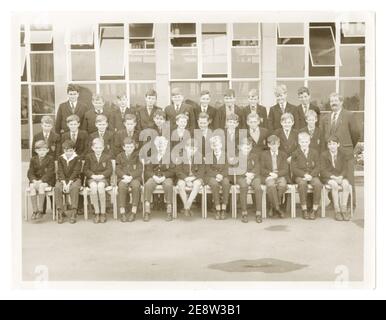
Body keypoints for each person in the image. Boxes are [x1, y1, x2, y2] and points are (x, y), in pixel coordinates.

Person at [320, 92, 362, 208]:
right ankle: (334, 202)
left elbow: (356, 134)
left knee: (348, 179)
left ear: (341, 102)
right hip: (331, 154)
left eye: (336, 101)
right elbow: (324, 135)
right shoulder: (326, 118)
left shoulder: (349, 115)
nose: (333, 103)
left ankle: (350, 204)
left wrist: (347, 146)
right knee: (332, 178)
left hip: (346, 153)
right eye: (331, 101)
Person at [291, 132, 323, 220]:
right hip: (300, 176)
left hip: (312, 175)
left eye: (306, 142)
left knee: (318, 184)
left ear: (309, 142)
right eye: (302, 142)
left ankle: (314, 209)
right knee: (302, 184)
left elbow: (318, 166)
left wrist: (311, 175)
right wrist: (304, 175)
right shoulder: (295, 153)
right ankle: (304, 209)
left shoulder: (314, 152)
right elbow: (294, 168)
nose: (304, 144)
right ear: (299, 142)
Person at [143, 136, 175, 222]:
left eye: (163, 145)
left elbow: (173, 171)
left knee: (168, 185)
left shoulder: (170, 157)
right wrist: (153, 176)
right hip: (154, 177)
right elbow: (147, 171)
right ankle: (147, 211)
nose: (160, 147)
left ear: (166, 146)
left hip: (166, 177)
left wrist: (164, 176)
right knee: (148, 184)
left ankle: (169, 211)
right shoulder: (151, 157)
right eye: (158, 145)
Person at [320, 135, 352, 221]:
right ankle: (337, 210)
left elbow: (345, 168)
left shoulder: (343, 154)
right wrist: (333, 177)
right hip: (328, 177)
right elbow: (322, 170)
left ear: (338, 144)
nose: (332, 146)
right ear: (327, 146)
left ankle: (344, 209)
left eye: (334, 144)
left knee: (346, 184)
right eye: (330, 144)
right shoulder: (324, 155)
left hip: (340, 176)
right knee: (334, 185)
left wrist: (341, 176)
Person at [83, 138, 113, 224]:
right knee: (93, 186)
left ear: (103, 148)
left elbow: (109, 170)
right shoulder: (88, 156)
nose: (98, 150)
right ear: (92, 148)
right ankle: (96, 212)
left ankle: (103, 212)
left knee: (100, 187)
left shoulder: (107, 157)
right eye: (96, 148)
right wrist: (93, 176)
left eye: (100, 148)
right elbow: (86, 169)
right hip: (92, 178)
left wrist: (101, 176)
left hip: (103, 178)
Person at [260, 135, 289, 218]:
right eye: (272, 144)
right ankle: (278, 208)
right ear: (268, 145)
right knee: (271, 185)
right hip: (269, 176)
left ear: (279, 144)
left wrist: (277, 174)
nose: (274, 146)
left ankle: (273, 207)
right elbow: (261, 169)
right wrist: (270, 174)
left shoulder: (283, 154)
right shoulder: (264, 154)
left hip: (280, 175)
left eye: (276, 144)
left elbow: (285, 169)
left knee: (283, 185)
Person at [235, 137, 262, 223]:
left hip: (254, 176)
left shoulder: (254, 155)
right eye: (245, 147)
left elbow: (257, 167)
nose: (247, 149)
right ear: (240, 147)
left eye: (249, 147)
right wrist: (246, 174)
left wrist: (251, 175)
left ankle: (258, 213)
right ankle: (244, 213)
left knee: (258, 188)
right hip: (242, 176)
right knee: (243, 186)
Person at [203, 136, 231, 220]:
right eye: (214, 145)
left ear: (221, 145)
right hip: (211, 176)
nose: (216, 147)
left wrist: (221, 175)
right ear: (211, 146)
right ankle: (217, 208)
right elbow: (207, 169)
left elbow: (227, 168)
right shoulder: (208, 155)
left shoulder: (225, 155)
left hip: (223, 175)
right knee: (214, 184)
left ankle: (224, 208)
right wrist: (216, 175)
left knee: (226, 183)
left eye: (217, 145)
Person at [54, 140, 82, 224]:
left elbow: (76, 171)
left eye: (70, 150)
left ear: (74, 150)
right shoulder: (60, 158)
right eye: (66, 151)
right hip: (63, 179)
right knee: (57, 188)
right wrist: (63, 182)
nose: (68, 153)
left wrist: (69, 183)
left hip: (74, 179)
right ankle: (60, 212)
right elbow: (60, 171)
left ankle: (74, 211)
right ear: (63, 150)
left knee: (74, 188)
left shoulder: (77, 158)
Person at [27, 140, 55, 221]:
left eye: (43, 150)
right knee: (32, 186)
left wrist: (41, 181)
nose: (41, 152)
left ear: (47, 150)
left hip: (47, 181)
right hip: (36, 180)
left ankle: (40, 210)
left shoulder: (50, 159)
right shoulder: (33, 159)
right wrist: (34, 180)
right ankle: (35, 211)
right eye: (39, 150)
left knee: (41, 187)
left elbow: (50, 172)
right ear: (36, 151)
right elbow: (30, 172)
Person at [116, 137, 142, 223]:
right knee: (122, 186)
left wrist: (131, 176)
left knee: (136, 186)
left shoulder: (138, 156)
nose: (129, 149)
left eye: (131, 147)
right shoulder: (119, 156)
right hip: (123, 178)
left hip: (134, 178)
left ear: (134, 147)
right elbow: (117, 169)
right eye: (127, 147)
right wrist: (124, 176)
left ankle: (133, 211)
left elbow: (139, 169)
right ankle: (122, 211)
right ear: (123, 147)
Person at [175, 139, 204, 216]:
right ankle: (187, 208)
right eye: (190, 148)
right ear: (185, 147)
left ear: (197, 149)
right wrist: (186, 178)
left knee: (197, 184)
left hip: (196, 178)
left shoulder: (199, 157)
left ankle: (187, 206)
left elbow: (201, 172)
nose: (191, 151)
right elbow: (178, 171)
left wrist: (192, 179)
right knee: (180, 184)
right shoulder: (180, 156)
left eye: (194, 149)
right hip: (184, 178)